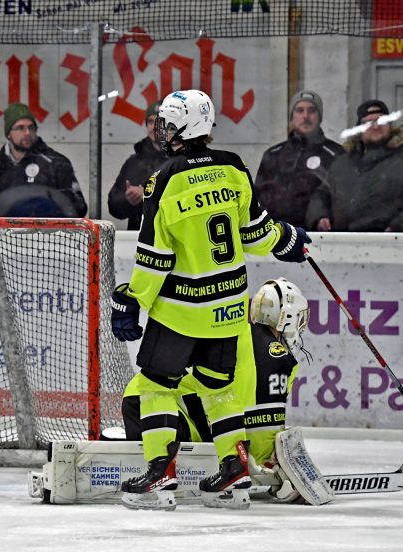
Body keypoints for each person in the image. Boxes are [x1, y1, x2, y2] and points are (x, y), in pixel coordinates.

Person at [109, 89, 311, 511]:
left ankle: (160, 475)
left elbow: (155, 258)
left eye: (167, 123)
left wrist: (131, 298)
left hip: (182, 314)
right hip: (230, 310)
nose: (162, 130)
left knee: (154, 385)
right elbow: (256, 236)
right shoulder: (234, 167)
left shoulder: (164, 179)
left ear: (182, 127)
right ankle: (232, 473)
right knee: (218, 389)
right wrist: (287, 238)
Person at [119, 277, 312, 503]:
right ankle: (162, 468)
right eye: (299, 317)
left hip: (146, 403)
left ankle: (175, 465)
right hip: (159, 411)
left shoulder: (235, 332)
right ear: (286, 316)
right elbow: (262, 423)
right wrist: (270, 464)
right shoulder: (281, 357)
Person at [306, 99, 403, 232]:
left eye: (382, 121)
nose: (375, 126)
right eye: (368, 122)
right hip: (342, 244)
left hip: (390, 245)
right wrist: (319, 216)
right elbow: (321, 195)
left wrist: (397, 227)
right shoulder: (342, 164)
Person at [0, 102, 86, 217]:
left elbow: (78, 207)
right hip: (5, 234)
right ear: (8, 134)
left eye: (31, 127)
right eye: (20, 128)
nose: (27, 133)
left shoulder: (55, 163)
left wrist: (47, 213)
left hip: (48, 234)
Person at [254, 91, 343, 228]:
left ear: (320, 117)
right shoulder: (273, 155)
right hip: (275, 236)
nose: (305, 116)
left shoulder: (335, 154)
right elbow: (258, 199)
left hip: (317, 237)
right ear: (291, 117)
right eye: (299, 111)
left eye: (312, 111)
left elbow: (341, 199)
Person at [107, 102, 167, 229]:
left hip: (174, 239)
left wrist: (146, 196)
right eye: (151, 122)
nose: (155, 127)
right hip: (138, 239)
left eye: (160, 122)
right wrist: (127, 199)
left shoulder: (184, 159)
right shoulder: (133, 162)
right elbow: (113, 206)